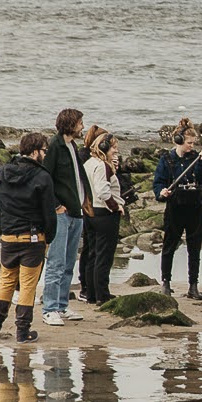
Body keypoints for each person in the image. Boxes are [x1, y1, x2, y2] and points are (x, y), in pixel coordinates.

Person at [0, 132, 58, 341]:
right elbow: (49, 213)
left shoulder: (1, 173)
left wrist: (2, 227)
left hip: (9, 237)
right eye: (44, 151)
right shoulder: (42, 177)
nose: (45, 154)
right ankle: (22, 332)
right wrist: (49, 237)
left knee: (6, 282)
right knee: (27, 285)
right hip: (33, 238)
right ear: (35, 152)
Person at [38, 108, 90, 326]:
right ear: (70, 124)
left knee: (69, 262)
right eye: (79, 123)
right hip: (62, 213)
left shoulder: (72, 145)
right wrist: (56, 205)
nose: (82, 127)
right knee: (56, 262)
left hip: (76, 212)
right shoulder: (55, 146)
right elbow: (44, 178)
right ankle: (49, 308)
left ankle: (61, 304)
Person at [153, 119, 202, 302]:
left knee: (195, 248)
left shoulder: (196, 158)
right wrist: (160, 192)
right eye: (189, 143)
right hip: (175, 208)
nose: (192, 146)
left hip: (196, 208)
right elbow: (158, 183)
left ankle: (193, 286)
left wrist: (201, 161)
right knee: (169, 246)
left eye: (193, 143)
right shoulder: (167, 159)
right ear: (178, 141)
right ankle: (166, 284)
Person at [77, 126, 125, 305]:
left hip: (90, 212)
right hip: (104, 213)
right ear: (104, 147)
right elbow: (103, 191)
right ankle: (102, 294)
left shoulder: (88, 163)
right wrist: (115, 206)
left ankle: (91, 294)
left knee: (93, 254)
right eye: (113, 148)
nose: (115, 152)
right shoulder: (101, 165)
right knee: (104, 256)